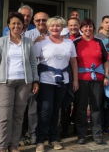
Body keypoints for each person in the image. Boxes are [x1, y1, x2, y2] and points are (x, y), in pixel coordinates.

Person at [0, 12, 39, 152]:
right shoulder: (2, 41)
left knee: (18, 116)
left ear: (23, 25)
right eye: (13, 23)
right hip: (6, 82)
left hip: (24, 83)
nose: (16, 25)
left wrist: (35, 81)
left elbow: (32, 63)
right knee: (5, 116)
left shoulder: (27, 42)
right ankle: (2, 146)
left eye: (19, 23)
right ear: (8, 25)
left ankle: (13, 145)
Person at [34, 16, 78, 152]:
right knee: (46, 110)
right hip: (46, 80)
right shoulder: (41, 42)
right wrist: (34, 81)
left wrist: (75, 80)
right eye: (52, 26)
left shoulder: (69, 43)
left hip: (63, 81)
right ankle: (40, 140)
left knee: (56, 110)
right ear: (48, 27)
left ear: (62, 27)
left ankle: (53, 138)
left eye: (58, 26)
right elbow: (34, 61)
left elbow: (74, 62)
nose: (55, 28)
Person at [73, 18, 109, 145]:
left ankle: (96, 133)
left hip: (97, 80)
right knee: (81, 107)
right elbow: (73, 62)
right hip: (82, 80)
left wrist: (106, 76)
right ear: (81, 28)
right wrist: (75, 80)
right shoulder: (76, 42)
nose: (88, 29)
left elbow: (106, 60)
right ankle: (81, 134)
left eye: (90, 26)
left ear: (93, 28)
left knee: (96, 107)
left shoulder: (99, 42)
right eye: (85, 27)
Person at [23, 12, 50, 144]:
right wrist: (33, 43)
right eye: (38, 20)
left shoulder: (54, 35)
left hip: (49, 75)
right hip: (33, 74)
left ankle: (46, 132)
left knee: (47, 106)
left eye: (44, 20)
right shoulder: (27, 35)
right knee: (33, 106)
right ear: (34, 22)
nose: (41, 22)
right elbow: (23, 55)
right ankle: (33, 133)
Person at [59, 18, 82, 138]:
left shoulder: (83, 38)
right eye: (71, 25)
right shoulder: (62, 38)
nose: (73, 27)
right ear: (67, 27)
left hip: (79, 73)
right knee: (65, 103)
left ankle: (77, 127)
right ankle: (64, 128)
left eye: (75, 25)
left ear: (79, 26)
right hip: (65, 73)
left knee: (78, 103)